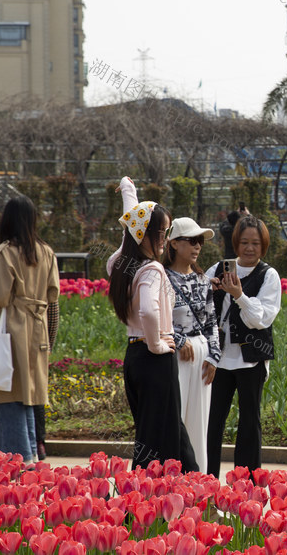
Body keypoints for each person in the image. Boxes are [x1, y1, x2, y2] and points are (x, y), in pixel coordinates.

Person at [108, 177, 197, 471]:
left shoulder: (119, 264)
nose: (165, 238)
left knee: (153, 433)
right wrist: (158, 343)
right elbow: (148, 310)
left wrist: (129, 192)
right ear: (144, 232)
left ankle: (169, 492)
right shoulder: (153, 269)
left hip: (135, 357)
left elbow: (131, 228)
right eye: (161, 232)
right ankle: (160, 500)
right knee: (165, 436)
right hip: (155, 357)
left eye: (167, 231)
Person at [0, 196, 60, 465]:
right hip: (37, 331)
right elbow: (53, 295)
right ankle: (30, 460)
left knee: (8, 397)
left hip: (11, 333)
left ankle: (17, 465)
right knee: (29, 398)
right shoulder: (46, 252)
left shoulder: (3, 253)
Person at [205, 215, 282, 477]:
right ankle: (207, 481)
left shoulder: (268, 275)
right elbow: (198, 307)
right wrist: (209, 289)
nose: (250, 248)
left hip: (251, 359)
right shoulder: (217, 269)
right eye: (245, 242)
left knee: (249, 423)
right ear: (235, 243)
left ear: (264, 246)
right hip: (217, 359)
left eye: (256, 244)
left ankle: (245, 487)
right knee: (212, 422)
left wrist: (239, 295)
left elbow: (261, 320)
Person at [163, 217, 221, 475]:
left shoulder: (202, 279)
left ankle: (198, 480)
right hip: (176, 354)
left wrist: (214, 357)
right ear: (174, 243)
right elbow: (156, 318)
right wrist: (179, 338)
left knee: (200, 420)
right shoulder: (162, 277)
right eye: (192, 240)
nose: (198, 246)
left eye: (201, 241)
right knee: (176, 420)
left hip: (201, 353)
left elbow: (212, 322)